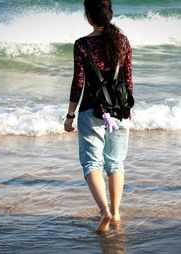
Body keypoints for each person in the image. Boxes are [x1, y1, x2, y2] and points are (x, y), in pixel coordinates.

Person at [64, 0, 133, 232]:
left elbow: (79, 83)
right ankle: (116, 212)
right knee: (115, 163)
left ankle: (103, 210)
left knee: (92, 163)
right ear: (109, 14)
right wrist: (128, 108)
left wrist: (70, 115)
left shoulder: (82, 45)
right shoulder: (122, 41)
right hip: (120, 110)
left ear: (89, 16)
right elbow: (128, 79)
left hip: (91, 110)